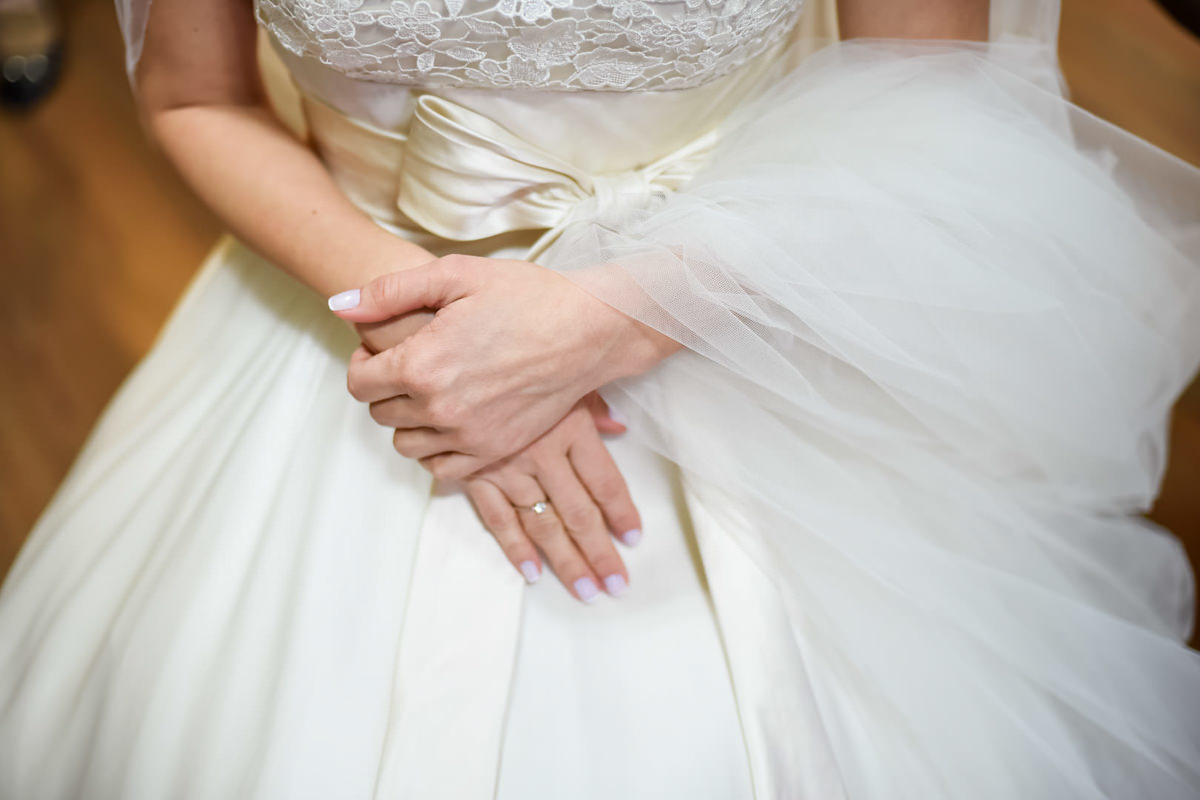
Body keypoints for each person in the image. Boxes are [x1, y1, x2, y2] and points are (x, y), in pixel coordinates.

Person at [2, 0, 1199, 796]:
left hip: (739, 302)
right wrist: (431, 334)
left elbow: (938, 98)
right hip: (355, 295)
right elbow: (192, 97)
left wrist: (606, 323)